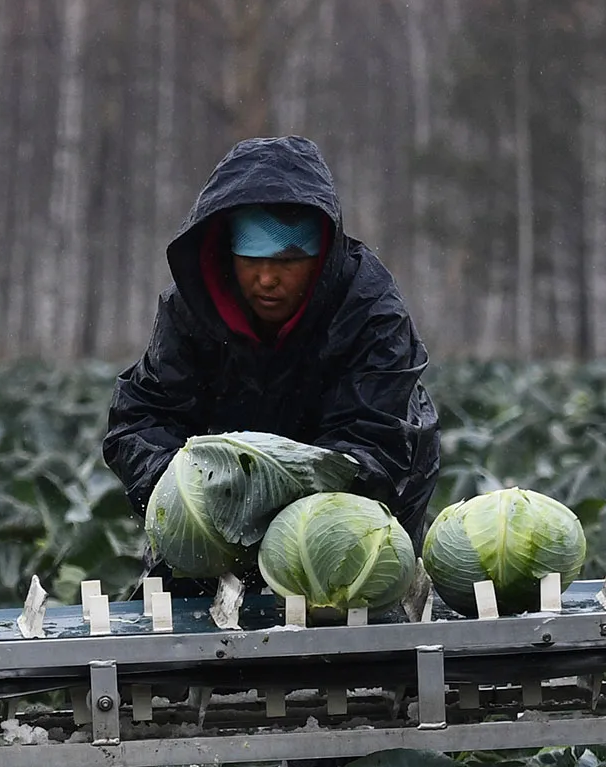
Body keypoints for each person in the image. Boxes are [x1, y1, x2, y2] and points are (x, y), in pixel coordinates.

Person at [104, 135, 441, 566]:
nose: (267, 279)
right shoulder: (191, 308)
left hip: (346, 518)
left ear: (320, 257)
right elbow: (140, 417)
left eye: (286, 261)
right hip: (216, 515)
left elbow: (373, 442)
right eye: (251, 259)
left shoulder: (370, 311)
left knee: (344, 594)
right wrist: (188, 493)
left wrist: (272, 500)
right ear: (228, 255)